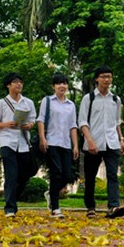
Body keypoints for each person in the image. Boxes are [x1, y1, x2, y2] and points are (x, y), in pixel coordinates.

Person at [78, 65, 124, 219]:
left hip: (112, 142)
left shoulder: (115, 99)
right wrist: (90, 141)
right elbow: (82, 122)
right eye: (103, 76)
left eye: (109, 76)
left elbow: (117, 121)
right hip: (93, 144)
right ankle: (90, 207)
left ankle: (113, 206)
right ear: (97, 79)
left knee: (112, 175)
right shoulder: (89, 98)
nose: (107, 79)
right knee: (90, 176)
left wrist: (121, 139)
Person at [0, 72, 37, 218]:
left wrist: (29, 125)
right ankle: (10, 208)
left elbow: (32, 120)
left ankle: (13, 197)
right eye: (15, 82)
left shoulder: (28, 102)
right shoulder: (1, 103)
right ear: (8, 85)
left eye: (21, 82)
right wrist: (6, 124)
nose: (19, 84)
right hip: (7, 141)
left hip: (23, 142)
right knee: (11, 174)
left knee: (25, 174)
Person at [37, 73, 79, 219]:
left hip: (66, 144)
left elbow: (73, 126)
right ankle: (55, 208)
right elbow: (41, 120)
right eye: (59, 83)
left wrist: (75, 146)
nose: (62, 86)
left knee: (67, 175)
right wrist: (42, 138)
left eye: (65, 83)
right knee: (56, 172)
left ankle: (51, 193)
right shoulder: (47, 101)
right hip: (51, 142)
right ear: (53, 86)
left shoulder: (71, 105)